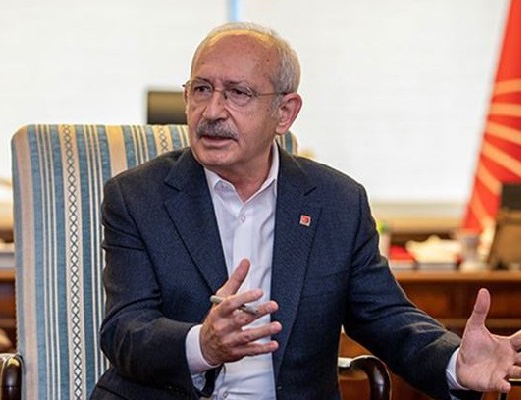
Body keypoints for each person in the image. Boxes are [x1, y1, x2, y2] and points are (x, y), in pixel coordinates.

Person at [90, 22, 521, 400]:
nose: (212, 111)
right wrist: (202, 345)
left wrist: (454, 362)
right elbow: (125, 329)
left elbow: (385, 316)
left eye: (237, 93)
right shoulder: (137, 197)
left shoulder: (337, 202)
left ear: (285, 113)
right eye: (201, 89)